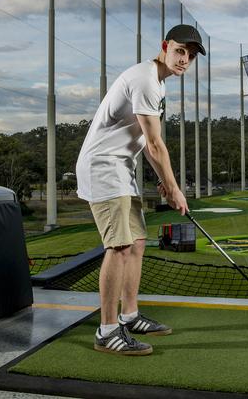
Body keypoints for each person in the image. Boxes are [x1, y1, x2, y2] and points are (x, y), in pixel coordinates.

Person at [75, 24, 206, 356]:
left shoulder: (157, 83)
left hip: (121, 167)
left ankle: (129, 316)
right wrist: (176, 190)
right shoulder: (146, 79)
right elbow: (155, 144)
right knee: (118, 247)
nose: (185, 60)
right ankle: (106, 331)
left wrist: (163, 180)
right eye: (180, 51)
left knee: (136, 242)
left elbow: (146, 145)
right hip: (103, 167)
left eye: (190, 56)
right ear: (165, 46)